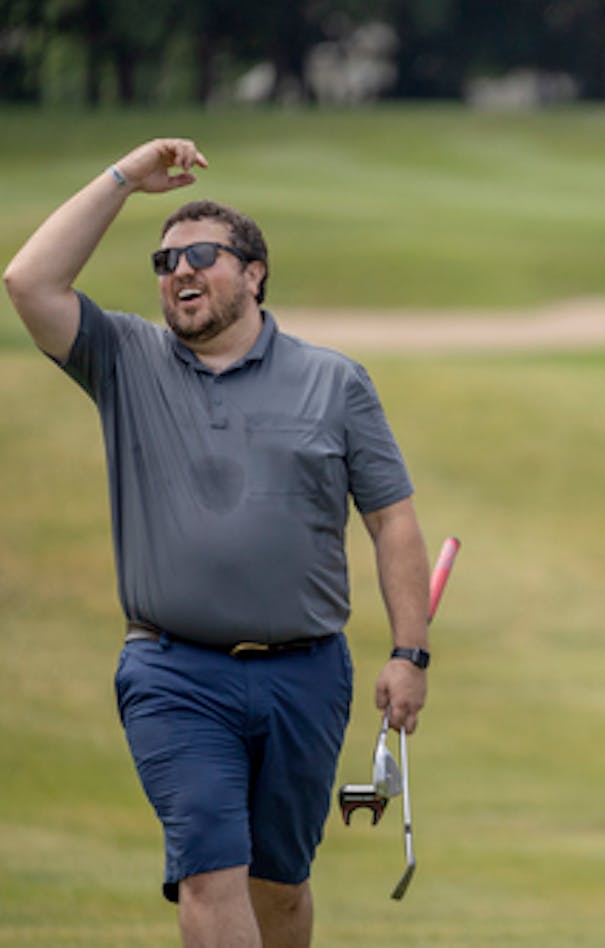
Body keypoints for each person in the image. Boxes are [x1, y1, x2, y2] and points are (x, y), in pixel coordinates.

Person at [3, 138, 432, 948]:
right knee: (208, 872)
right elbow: (28, 281)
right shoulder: (125, 359)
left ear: (255, 271)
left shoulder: (334, 382)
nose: (179, 272)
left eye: (202, 254)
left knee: (280, 887)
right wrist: (125, 178)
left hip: (305, 674)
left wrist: (410, 653)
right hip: (174, 669)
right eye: (163, 260)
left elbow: (392, 520)